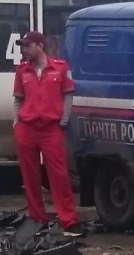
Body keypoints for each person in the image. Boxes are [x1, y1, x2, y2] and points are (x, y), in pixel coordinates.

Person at [12, 31, 85, 236]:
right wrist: (17, 124)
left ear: (40, 46)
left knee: (59, 176)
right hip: (27, 129)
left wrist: (63, 122)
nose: (24, 50)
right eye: (23, 46)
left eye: (27, 46)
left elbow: (68, 96)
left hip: (51, 129)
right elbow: (18, 100)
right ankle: (37, 218)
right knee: (30, 177)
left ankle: (68, 221)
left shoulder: (60, 68)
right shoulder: (22, 71)